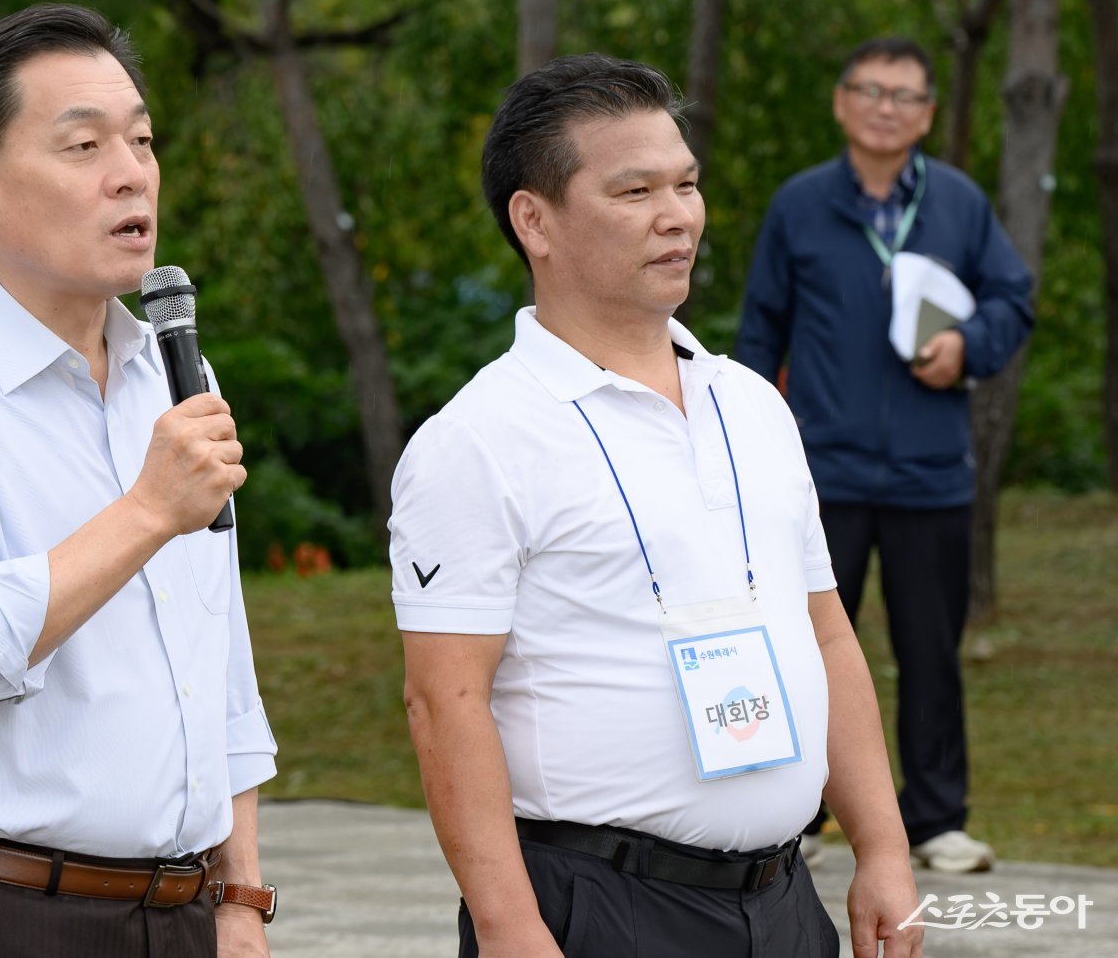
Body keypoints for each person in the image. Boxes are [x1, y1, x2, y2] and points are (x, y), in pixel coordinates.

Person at [389, 54, 922, 958]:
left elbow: (828, 634)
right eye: (635, 191)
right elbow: (445, 702)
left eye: (686, 184)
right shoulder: (477, 438)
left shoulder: (752, 402)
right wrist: (512, 930)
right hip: (599, 908)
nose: (678, 216)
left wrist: (883, 849)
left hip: (785, 901)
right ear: (535, 220)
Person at [0, 3, 278, 958]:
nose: (130, 172)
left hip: (187, 918)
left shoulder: (171, 371)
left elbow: (217, 660)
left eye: (143, 140)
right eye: (83, 145)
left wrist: (241, 897)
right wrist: (149, 511)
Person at [737, 37, 1034, 875]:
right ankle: (794, 815)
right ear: (841, 102)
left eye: (904, 95)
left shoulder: (960, 206)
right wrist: (751, 446)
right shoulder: (799, 206)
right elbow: (760, 330)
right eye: (869, 89)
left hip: (928, 474)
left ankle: (937, 819)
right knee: (800, 648)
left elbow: (1013, 298)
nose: (885, 106)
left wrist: (968, 348)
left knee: (929, 650)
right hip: (818, 477)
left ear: (927, 115)